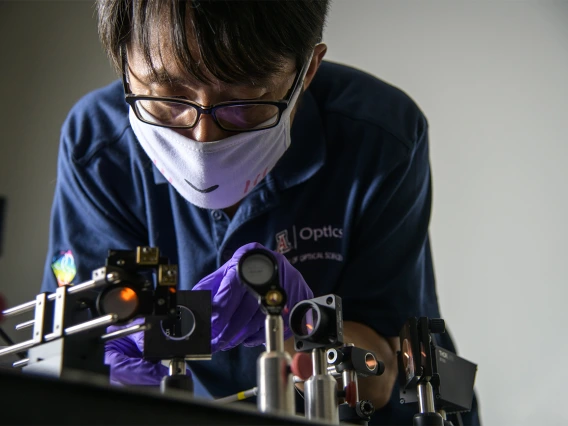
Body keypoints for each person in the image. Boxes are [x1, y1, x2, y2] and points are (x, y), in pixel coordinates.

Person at [39, 1, 479, 424]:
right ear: (122, 62)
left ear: (306, 70)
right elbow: (76, 341)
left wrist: (305, 327)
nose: (202, 139)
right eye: (168, 98)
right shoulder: (98, 149)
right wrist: (108, 356)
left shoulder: (380, 137)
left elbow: (384, 369)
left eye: (244, 102)